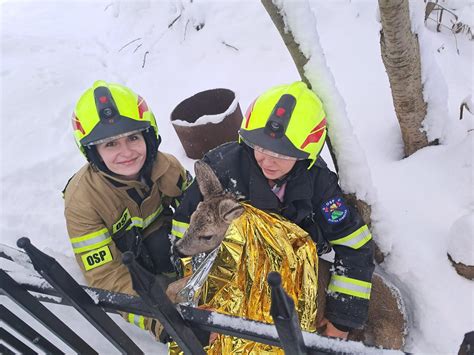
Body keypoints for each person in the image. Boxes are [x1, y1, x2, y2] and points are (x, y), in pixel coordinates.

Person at [171, 81, 375, 339]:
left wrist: (342, 319)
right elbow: (184, 230)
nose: (267, 160)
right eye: (261, 147)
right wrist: (201, 290)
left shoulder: (319, 185)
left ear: (306, 152)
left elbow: (355, 245)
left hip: (294, 277)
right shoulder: (222, 169)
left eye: (283, 153)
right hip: (231, 273)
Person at [63, 80, 192, 341]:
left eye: (133, 137)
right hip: (129, 270)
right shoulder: (82, 201)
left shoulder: (168, 167)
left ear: (148, 136)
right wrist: (160, 320)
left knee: (159, 244)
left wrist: (196, 272)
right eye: (110, 144)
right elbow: (106, 276)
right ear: (93, 152)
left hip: (167, 250)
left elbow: (197, 214)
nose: (126, 153)